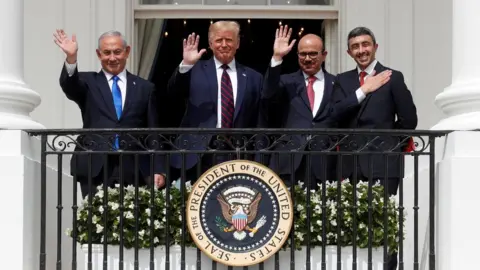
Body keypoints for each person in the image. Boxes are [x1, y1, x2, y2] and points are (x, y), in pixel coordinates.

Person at [331, 26, 417, 270]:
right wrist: (363, 90)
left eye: (365, 44)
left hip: (384, 163)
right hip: (350, 164)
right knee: (351, 222)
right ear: (349, 52)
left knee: (384, 224)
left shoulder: (393, 77)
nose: (362, 50)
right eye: (356, 47)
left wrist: (389, 145)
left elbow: (409, 120)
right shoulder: (343, 81)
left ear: (375, 47)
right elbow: (335, 113)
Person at [54, 29, 166, 198]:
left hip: (133, 165)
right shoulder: (87, 82)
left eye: (117, 52)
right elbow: (69, 85)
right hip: (95, 164)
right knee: (94, 220)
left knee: (131, 221)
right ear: (99, 54)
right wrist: (71, 58)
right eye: (106, 53)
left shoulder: (145, 87)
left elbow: (153, 132)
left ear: (127, 52)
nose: (112, 58)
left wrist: (158, 168)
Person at [167, 21, 265, 181]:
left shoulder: (254, 77)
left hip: (237, 154)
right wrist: (186, 65)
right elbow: (173, 94)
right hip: (197, 154)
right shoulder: (194, 69)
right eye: (219, 40)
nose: (224, 45)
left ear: (238, 43)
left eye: (229, 40)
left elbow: (259, 120)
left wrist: (258, 158)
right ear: (211, 44)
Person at [261, 26, 336, 189]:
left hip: (323, 164)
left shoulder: (336, 84)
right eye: (303, 54)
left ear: (324, 55)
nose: (307, 58)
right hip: (288, 162)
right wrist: (277, 57)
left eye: (313, 54)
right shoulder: (286, 82)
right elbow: (267, 94)